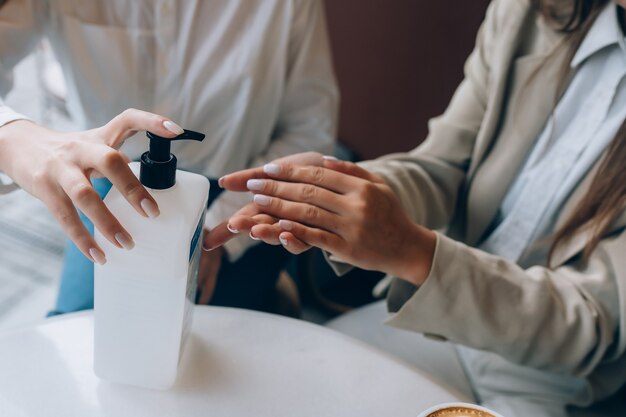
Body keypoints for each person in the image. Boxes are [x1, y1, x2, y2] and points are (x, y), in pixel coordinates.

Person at [206, 0, 626, 415]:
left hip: (553, 380)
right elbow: (442, 164)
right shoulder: (529, 12)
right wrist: (350, 193)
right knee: (276, 393)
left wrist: (414, 252)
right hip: (437, 321)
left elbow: (589, 323)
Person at [0, 0, 338, 312]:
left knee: (222, 348)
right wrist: (15, 136)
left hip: (239, 193)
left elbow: (310, 129)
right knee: (77, 326)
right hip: (115, 184)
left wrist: (214, 228)